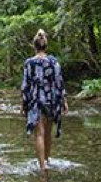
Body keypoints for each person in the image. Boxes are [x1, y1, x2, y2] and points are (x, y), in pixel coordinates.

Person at [21, 29, 67, 171]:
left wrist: (23, 104)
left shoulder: (29, 63)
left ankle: (42, 167)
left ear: (35, 46)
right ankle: (47, 160)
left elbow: (25, 85)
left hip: (35, 100)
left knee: (39, 134)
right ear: (45, 46)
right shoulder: (54, 62)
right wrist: (64, 101)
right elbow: (59, 82)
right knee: (47, 133)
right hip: (52, 100)